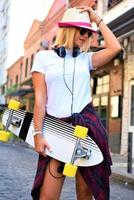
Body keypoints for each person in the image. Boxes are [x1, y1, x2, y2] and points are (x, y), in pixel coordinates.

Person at [31, 6, 121, 200]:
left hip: (88, 132)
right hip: (58, 131)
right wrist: (38, 133)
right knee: (47, 197)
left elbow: (115, 48)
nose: (86, 36)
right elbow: (40, 98)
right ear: (69, 29)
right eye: (82, 31)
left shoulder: (86, 59)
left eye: (89, 33)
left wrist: (96, 18)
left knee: (84, 196)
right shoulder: (43, 58)